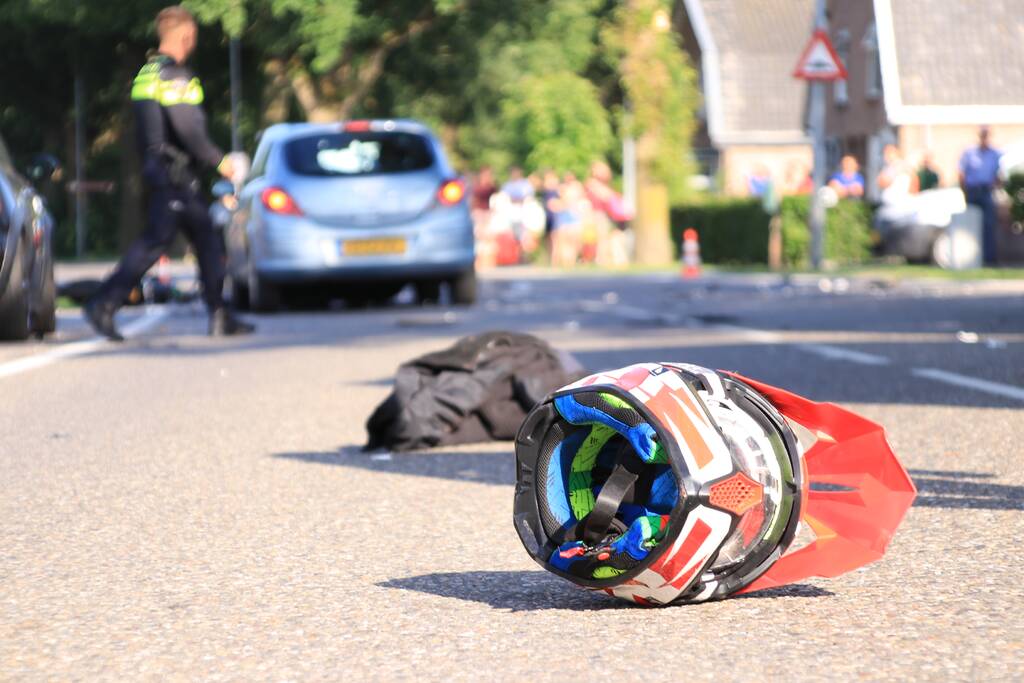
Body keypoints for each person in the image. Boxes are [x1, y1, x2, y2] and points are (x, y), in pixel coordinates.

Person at [84, 5, 252, 340]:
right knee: (155, 242)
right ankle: (103, 302)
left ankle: (219, 314)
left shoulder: (146, 73)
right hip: (174, 175)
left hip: (162, 171)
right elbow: (188, 128)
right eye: (193, 39)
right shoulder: (177, 77)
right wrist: (219, 161)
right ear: (186, 37)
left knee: (206, 238)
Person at [959, 126, 1003, 265]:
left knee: (989, 225)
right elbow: (961, 173)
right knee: (970, 225)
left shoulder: (994, 154)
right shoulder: (969, 153)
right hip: (972, 191)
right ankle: (970, 259)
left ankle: (989, 259)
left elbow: (998, 175)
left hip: (986, 191)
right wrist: (965, 191)